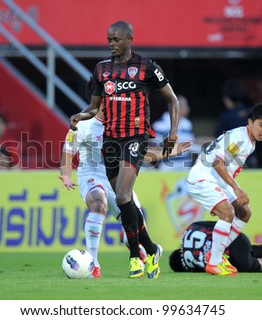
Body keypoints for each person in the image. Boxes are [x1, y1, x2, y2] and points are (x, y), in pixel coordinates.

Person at [70, 21, 179, 278]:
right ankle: (151, 249)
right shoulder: (101, 69)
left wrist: (172, 133)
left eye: (116, 39)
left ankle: (134, 256)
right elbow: (94, 108)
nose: (111, 43)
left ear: (130, 38)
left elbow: (171, 99)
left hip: (136, 138)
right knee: (126, 201)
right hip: (111, 139)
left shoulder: (147, 67)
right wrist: (80, 115)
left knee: (121, 195)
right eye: (109, 39)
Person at [60, 107, 191, 278]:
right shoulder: (83, 126)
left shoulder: (121, 129)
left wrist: (169, 152)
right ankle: (94, 264)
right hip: (91, 174)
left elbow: (140, 155)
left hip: (116, 176)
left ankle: (146, 248)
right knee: (98, 205)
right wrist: (66, 175)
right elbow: (68, 152)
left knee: (134, 222)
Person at [187, 103, 262, 276]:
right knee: (227, 214)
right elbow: (217, 161)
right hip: (203, 177)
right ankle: (214, 263)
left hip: (217, 180)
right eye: (261, 125)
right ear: (250, 122)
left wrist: (233, 188)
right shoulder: (240, 137)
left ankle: (216, 255)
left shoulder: (250, 142)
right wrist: (236, 188)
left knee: (244, 212)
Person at [152, 94, 197, 171]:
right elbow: (153, 147)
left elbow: (192, 142)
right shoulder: (160, 125)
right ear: (176, 107)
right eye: (185, 106)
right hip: (167, 165)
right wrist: (171, 147)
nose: (188, 109)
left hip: (185, 164)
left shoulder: (187, 124)